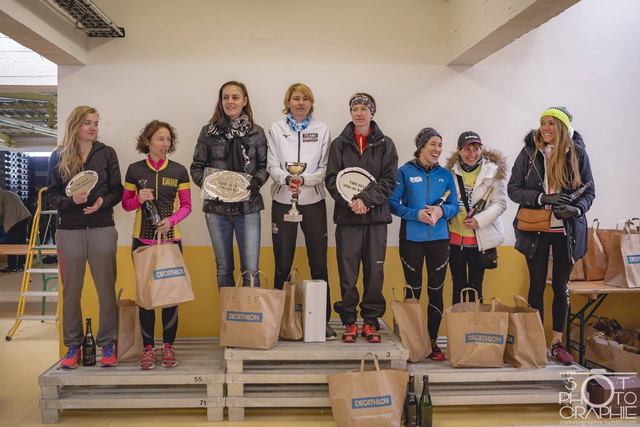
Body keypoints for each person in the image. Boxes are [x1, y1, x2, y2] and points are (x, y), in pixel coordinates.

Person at [508, 106, 595, 365]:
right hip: (535, 229)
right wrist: (541, 198)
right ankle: (535, 343)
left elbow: (590, 191)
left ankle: (557, 343)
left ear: (563, 128)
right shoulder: (529, 153)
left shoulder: (578, 154)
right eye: (542, 122)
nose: (545, 127)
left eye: (551, 123)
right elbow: (514, 190)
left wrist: (576, 208)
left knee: (560, 287)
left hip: (566, 232)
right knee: (536, 286)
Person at [47, 106, 123, 369]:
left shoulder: (107, 153)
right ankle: (72, 345)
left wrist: (102, 201)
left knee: (106, 290)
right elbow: (51, 195)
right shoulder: (58, 156)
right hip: (69, 230)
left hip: (102, 226)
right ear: (75, 126)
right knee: (71, 292)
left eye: (96, 123)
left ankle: (108, 343)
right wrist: (70, 201)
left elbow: (118, 190)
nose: (93, 128)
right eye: (88, 123)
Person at [325, 93, 398, 343]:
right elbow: (332, 179)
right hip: (347, 219)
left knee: (374, 273)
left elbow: (389, 181)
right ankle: (348, 322)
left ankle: (370, 321)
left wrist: (366, 201)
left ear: (372, 113)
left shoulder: (386, 144)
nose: (359, 113)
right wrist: (351, 202)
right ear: (351, 112)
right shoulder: (339, 144)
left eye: (364, 109)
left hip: (376, 219)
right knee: (347, 273)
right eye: (355, 108)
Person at [266, 83, 335, 340]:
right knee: (282, 262)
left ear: (311, 103)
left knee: (319, 264)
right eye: (296, 98)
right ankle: (278, 321)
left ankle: (323, 322)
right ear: (289, 101)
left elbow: (326, 167)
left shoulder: (322, 130)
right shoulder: (276, 128)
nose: (300, 103)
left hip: (313, 202)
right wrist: (286, 179)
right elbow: (271, 163)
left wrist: (305, 180)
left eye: (305, 98)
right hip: (283, 200)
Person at [122, 120, 192, 369]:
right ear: (148, 141)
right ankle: (149, 348)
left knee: (171, 295)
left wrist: (170, 220)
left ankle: (169, 347)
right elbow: (126, 204)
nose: (165, 144)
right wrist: (138, 199)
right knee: (146, 297)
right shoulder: (134, 170)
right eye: (160, 139)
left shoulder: (179, 170)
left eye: (168, 140)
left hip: (171, 242)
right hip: (141, 241)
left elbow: (186, 206)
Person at [190, 81, 268, 287]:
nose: (230, 102)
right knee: (223, 267)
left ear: (245, 101)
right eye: (225, 97)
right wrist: (209, 186)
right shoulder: (208, 132)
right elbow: (196, 167)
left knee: (251, 270)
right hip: (216, 209)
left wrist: (257, 182)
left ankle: (249, 317)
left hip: (248, 208)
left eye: (235, 97)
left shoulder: (256, 132)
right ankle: (229, 317)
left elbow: (264, 165)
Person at [389, 127, 458, 360]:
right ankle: (412, 340)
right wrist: (415, 214)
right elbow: (392, 203)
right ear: (421, 146)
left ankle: (431, 341)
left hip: (439, 240)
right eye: (433, 144)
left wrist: (441, 209)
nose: (437, 149)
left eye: (440, 144)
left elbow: (455, 206)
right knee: (413, 291)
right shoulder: (404, 172)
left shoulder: (446, 175)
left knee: (436, 292)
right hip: (411, 240)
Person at [444, 131, 507, 304]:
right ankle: (458, 328)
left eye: (476, 148)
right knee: (457, 286)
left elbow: (500, 204)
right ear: (459, 150)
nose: (472, 154)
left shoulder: (493, 172)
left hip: (480, 241)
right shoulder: (448, 173)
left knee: (475, 287)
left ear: (481, 149)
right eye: (467, 149)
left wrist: (479, 220)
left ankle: (474, 329)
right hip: (454, 239)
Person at [0, 189, 31, 272]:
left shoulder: (1, 195)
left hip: (13, 220)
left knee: (12, 243)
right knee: (21, 242)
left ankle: (12, 266)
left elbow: (0, 212)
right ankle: (21, 265)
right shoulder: (10, 193)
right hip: (24, 217)